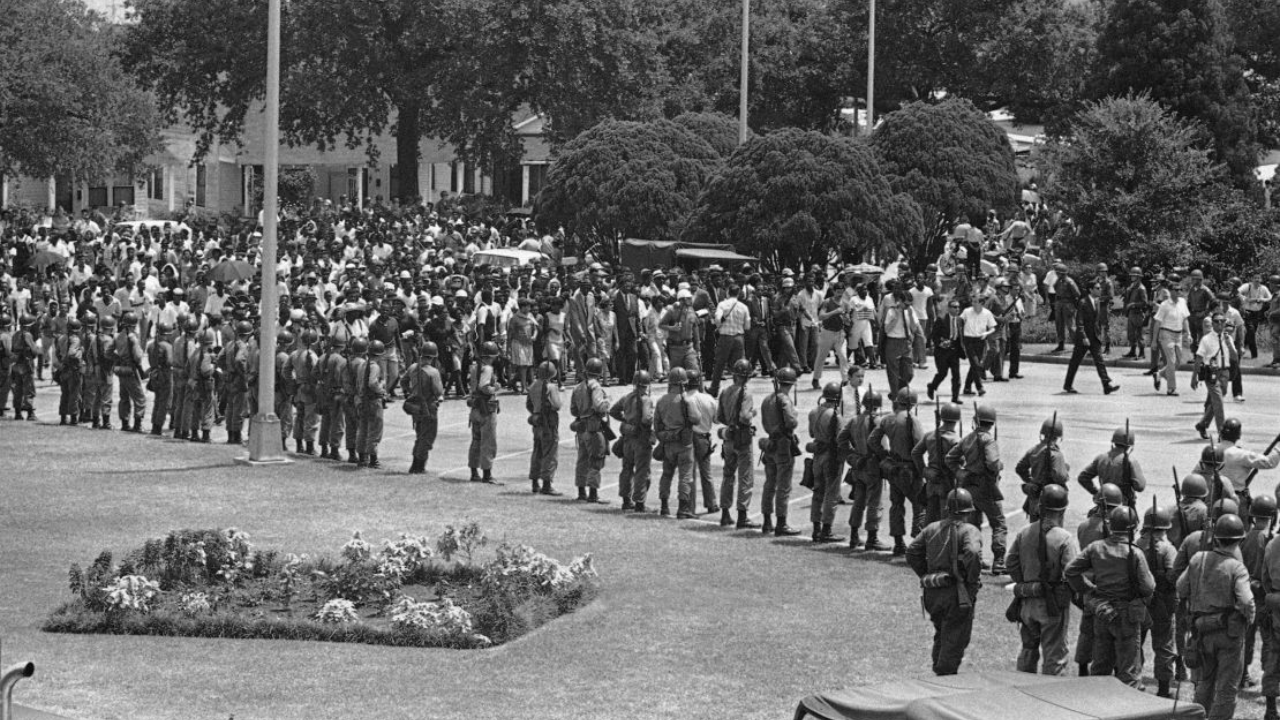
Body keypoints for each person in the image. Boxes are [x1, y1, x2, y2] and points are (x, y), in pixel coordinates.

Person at [1064, 505, 1156, 686]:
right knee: (1129, 670)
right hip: (1127, 615)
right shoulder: (1135, 553)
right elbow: (1148, 587)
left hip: (1102, 611)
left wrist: (1089, 590)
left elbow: (1070, 571)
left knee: (1101, 666)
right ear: (1133, 528)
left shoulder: (1096, 548)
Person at [1177, 513, 1255, 720]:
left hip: (1202, 630)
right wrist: (1248, 619)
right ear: (1239, 541)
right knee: (1227, 688)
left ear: (1217, 538)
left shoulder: (1198, 559)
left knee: (1205, 682)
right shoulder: (1237, 567)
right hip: (1229, 634)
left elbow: (1181, 588)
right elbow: (1246, 602)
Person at [905, 488, 984, 676]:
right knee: (955, 638)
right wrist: (971, 580)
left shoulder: (931, 528)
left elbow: (912, 552)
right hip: (956, 594)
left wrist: (926, 574)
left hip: (932, 593)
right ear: (967, 511)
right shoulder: (969, 530)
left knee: (942, 633)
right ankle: (944, 677)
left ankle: (938, 671)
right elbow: (973, 553)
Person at [1007, 483, 1078, 675]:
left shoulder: (1025, 532)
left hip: (1026, 601)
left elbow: (1011, 562)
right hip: (1051, 604)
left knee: (1028, 649)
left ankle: (1022, 687)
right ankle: (1050, 691)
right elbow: (1072, 572)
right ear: (1062, 511)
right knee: (1054, 654)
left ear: (1040, 507)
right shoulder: (1064, 538)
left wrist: (1026, 581)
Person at [945, 403, 1006, 574]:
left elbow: (950, 458)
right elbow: (992, 462)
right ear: (992, 423)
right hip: (987, 488)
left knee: (973, 525)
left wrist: (960, 472)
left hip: (970, 488)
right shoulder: (988, 440)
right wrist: (999, 466)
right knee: (999, 524)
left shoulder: (968, 438)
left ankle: (976, 559)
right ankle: (999, 561)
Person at [870, 387, 926, 554]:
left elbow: (872, 441)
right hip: (910, 469)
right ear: (913, 404)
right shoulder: (912, 420)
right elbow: (919, 447)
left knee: (896, 505)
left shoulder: (887, 419)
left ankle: (898, 542)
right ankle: (918, 543)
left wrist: (885, 455)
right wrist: (922, 470)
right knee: (920, 505)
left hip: (894, 468)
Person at [1136, 503, 1179, 697]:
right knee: (1164, 646)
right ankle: (1163, 689)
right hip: (1162, 602)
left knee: (1135, 643)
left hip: (1140, 601)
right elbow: (1173, 576)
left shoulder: (1135, 545)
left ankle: (1135, 682)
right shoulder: (1167, 549)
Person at [715, 359, 758, 529]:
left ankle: (725, 513)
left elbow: (719, 417)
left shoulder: (725, 392)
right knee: (745, 477)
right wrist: (753, 413)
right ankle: (742, 515)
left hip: (728, 437)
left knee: (728, 476)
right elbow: (745, 417)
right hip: (742, 438)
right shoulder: (745, 394)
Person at [759, 367, 802, 536]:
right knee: (783, 486)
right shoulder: (784, 399)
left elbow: (764, 422)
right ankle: (781, 523)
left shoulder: (767, 399)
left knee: (769, 484)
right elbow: (791, 422)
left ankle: (767, 521)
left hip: (770, 442)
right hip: (783, 445)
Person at [845, 389, 887, 550]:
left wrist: (853, 457)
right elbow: (883, 446)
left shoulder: (854, 420)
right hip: (873, 467)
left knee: (858, 502)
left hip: (859, 465)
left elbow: (842, 439)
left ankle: (854, 536)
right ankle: (872, 537)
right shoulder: (878, 421)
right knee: (875, 502)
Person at [1241, 495, 1276, 691]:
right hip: (1262, 594)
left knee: (1246, 636)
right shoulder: (1267, 539)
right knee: (1269, 638)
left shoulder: (1246, 536)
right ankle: (1267, 677)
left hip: (1246, 591)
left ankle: (1243, 674)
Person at [1063, 279, 1120, 395]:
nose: (1100, 290)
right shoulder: (1083, 302)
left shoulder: (1097, 301)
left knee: (1100, 361)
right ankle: (1068, 385)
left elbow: (1096, 321)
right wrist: (1084, 337)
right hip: (1083, 338)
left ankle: (1106, 385)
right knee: (1075, 362)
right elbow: (1079, 322)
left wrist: (1098, 334)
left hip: (1094, 337)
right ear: (1090, 290)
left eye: (1100, 288)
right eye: (1097, 288)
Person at [807, 382, 846, 543]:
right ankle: (826, 530)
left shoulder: (813, 412)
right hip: (832, 456)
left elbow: (811, 433)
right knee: (831, 493)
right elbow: (841, 439)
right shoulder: (836, 416)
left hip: (817, 455)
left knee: (818, 492)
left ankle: (816, 529)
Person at [655, 367, 695, 518]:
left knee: (666, 475)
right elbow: (696, 418)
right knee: (685, 476)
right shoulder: (686, 400)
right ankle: (683, 508)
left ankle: (664, 506)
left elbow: (657, 425)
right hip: (684, 444)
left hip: (668, 444)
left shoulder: (661, 400)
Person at [610, 369, 653, 510]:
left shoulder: (627, 397)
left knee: (627, 469)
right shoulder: (646, 399)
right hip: (641, 439)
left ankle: (626, 500)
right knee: (642, 471)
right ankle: (640, 503)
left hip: (627, 439)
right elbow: (646, 419)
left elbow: (613, 411)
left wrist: (626, 420)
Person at [913, 401, 961, 524]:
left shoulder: (929, 436)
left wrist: (925, 471)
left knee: (930, 519)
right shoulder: (956, 440)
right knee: (946, 521)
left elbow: (915, 453)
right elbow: (960, 464)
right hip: (947, 483)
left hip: (932, 482)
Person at [1015, 416, 1069, 521]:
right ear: (1058, 437)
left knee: (1034, 527)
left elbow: (1020, 468)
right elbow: (1060, 477)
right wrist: (1065, 470)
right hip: (1052, 499)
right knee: (1052, 527)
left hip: (1035, 496)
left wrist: (1031, 481)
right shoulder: (1056, 454)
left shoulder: (1033, 450)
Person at [1077, 427, 1147, 508]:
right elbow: (1140, 487)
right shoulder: (1131, 461)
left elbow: (1083, 477)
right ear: (1129, 446)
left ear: (1114, 442)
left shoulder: (1101, 458)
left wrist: (1097, 492)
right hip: (1124, 506)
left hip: (1104, 503)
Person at [404, 340, 445, 476]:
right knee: (427, 437)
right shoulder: (433, 372)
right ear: (433, 356)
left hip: (415, 406)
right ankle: (419, 466)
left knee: (419, 435)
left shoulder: (413, 367)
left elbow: (403, 381)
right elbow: (438, 391)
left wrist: (411, 391)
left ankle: (416, 464)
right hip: (428, 407)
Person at [1192, 312, 1235, 440]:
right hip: (1212, 373)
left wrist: (1229, 344)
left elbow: (1234, 356)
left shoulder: (1228, 338)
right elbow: (1199, 358)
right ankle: (1222, 434)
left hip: (1225, 372)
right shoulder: (1206, 339)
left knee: (1217, 401)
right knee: (1218, 402)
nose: (1220, 324)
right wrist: (1194, 377)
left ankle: (1202, 424)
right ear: (1212, 323)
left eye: (1222, 321)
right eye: (1216, 321)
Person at [685, 369, 719, 514]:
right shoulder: (709, 398)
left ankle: (690, 507)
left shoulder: (684, 398)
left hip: (688, 437)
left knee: (689, 473)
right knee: (706, 472)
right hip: (704, 437)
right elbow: (717, 419)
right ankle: (712, 503)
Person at [467, 341, 501, 483]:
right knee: (488, 442)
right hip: (486, 408)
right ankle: (487, 474)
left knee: (476, 441)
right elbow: (484, 387)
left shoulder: (475, 367)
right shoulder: (487, 368)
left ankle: (474, 471)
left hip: (475, 408)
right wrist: (495, 388)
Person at [1149, 276, 1190, 395]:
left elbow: (1185, 318)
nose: (1179, 292)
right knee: (1171, 361)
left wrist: (1188, 333)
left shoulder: (1182, 302)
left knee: (1178, 362)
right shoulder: (1164, 305)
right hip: (1166, 333)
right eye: (1176, 290)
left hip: (1178, 334)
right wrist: (1154, 341)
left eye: (1180, 289)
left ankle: (1159, 374)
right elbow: (1157, 322)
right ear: (1171, 291)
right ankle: (1171, 388)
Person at [112, 311, 146, 432]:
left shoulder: (117, 336)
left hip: (121, 369)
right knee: (140, 398)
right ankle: (137, 425)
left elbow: (110, 352)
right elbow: (138, 356)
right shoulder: (132, 337)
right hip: (130, 370)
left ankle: (125, 423)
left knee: (124, 397)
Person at [355, 340, 387, 468]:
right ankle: (373, 460)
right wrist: (381, 389)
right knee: (374, 431)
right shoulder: (375, 367)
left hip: (362, 400)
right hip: (373, 400)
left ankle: (362, 458)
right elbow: (372, 383)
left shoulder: (362, 365)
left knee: (362, 429)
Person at [926, 299, 965, 404]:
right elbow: (934, 335)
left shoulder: (960, 320)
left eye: (958, 307)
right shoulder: (941, 320)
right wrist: (940, 343)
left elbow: (961, 336)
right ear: (949, 308)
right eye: (954, 307)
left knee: (956, 375)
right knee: (942, 373)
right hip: (942, 352)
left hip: (954, 351)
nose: (957, 309)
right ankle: (932, 386)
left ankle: (955, 397)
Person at [290, 328, 321, 455]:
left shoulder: (294, 354)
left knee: (299, 417)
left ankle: (299, 445)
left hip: (298, 388)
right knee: (311, 419)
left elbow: (286, 370)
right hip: (310, 390)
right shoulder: (313, 356)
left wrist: (293, 382)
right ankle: (309, 447)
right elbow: (316, 373)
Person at [957, 295, 994, 397]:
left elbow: (992, 328)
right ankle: (980, 387)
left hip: (980, 340)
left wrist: (986, 333)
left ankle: (967, 387)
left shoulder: (987, 313)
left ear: (982, 303)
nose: (973, 303)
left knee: (974, 365)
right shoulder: (967, 311)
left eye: (976, 302)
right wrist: (960, 334)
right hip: (968, 340)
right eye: (972, 301)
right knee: (976, 363)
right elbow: (959, 321)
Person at [146, 321, 175, 436]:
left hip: (154, 374)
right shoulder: (167, 346)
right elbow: (170, 362)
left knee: (157, 401)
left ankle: (154, 424)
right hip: (165, 375)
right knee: (164, 402)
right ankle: (158, 426)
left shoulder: (151, 345)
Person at [55, 318, 84, 426]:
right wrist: (80, 352)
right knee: (74, 395)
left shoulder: (61, 338)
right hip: (73, 369)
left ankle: (63, 418)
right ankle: (73, 418)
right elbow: (72, 353)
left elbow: (57, 353)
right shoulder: (75, 339)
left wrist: (63, 362)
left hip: (64, 369)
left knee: (64, 394)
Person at [1240, 272, 1273, 360]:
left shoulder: (1263, 288)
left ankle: (1241, 349)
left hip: (1257, 313)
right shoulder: (1247, 286)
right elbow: (1237, 293)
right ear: (1252, 279)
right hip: (1247, 312)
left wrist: (1262, 299)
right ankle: (1254, 355)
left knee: (1251, 333)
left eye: (1258, 278)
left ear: (1261, 280)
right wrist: (1247, 299)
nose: (1257, 280)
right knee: (1251, 332)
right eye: (1255, 278)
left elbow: (1270, 297)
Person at [1122, 267, 1149, 359]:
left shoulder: (1141, 288)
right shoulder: (1132, 287)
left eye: (1134, 275)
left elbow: (1144, 303)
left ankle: (1142, 353)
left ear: (1138, 277)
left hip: (1138, 313)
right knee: (1131, 334)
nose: (1132, 277)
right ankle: (1132, 351)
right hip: (1131, 313)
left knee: (1139, 334)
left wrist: (1133, 304)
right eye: (1131, 275)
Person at [1052, 264, 1080, 352]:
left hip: (1068, 304)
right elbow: (1055, 288)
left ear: (1062, 273)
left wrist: (1073, 304)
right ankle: (1061, 344)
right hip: (1059, 304)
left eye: (1058, 273)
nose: (1056, 274)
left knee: (1071, 326)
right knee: (1059, 325)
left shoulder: (1070, 281)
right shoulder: (1059, 281)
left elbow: (1077, 294)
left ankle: (1078, 345)